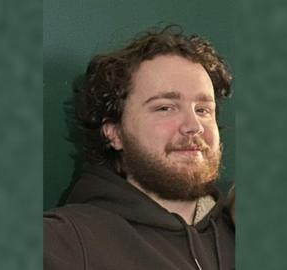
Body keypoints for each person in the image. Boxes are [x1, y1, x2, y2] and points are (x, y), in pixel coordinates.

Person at [44, 26, 235, 270]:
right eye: (165, 107)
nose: (193, 126)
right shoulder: (63, 243)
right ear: (113, 132)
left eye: (203, 110)